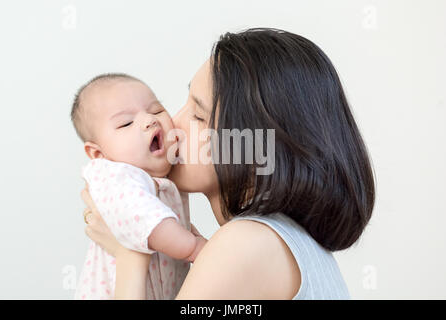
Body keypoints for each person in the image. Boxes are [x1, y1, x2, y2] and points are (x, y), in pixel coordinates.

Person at [80, 28, 375, 299]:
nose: (172, 123)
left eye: (197, 115)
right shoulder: (289, 242)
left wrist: (130, 247)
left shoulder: (246, 243)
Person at [71, 74, 206, 299]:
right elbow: (146, 219)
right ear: (98, 153)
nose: (149, 120)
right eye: (126, 123)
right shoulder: (114, 175)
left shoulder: (158, 175)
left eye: (156, 111)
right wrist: (194, 248)